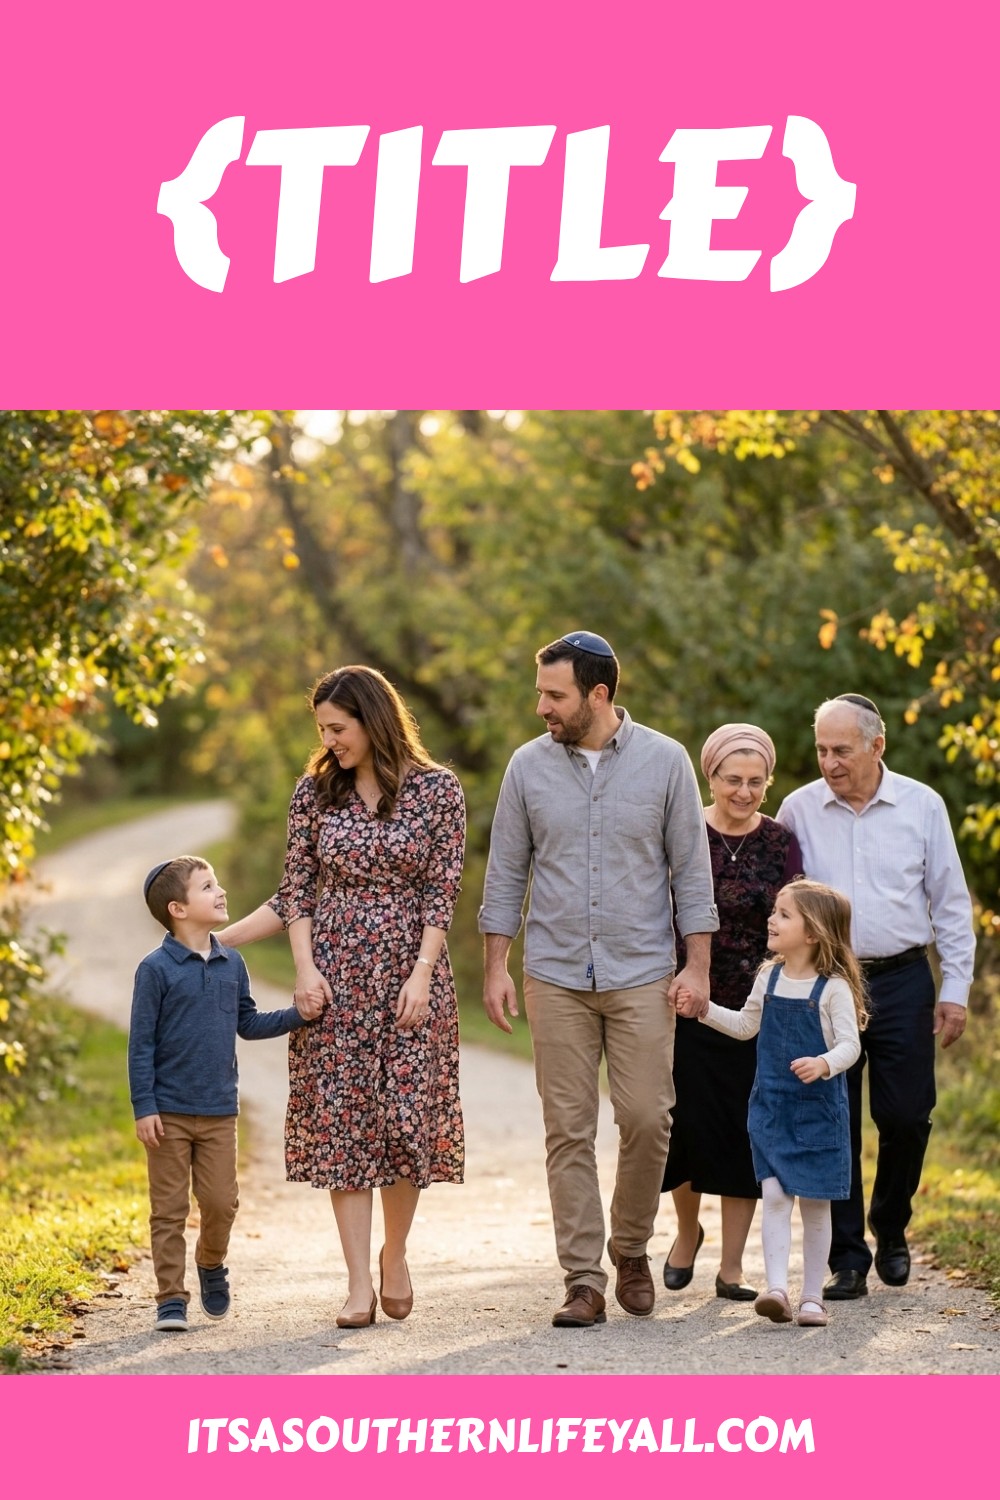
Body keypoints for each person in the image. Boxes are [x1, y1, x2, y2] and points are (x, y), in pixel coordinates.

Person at [479, 631, 718, 1328]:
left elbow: (691, 875)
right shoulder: (527, 767)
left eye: (554, 695)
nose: (541, 708)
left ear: (599, 695)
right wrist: (496, 967)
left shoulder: (666, 762)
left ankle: (631, 1248)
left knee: (648, 1117)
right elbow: (506, 874)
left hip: (642, 969)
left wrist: (696, 967)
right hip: (554, 973)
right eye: (540, 693)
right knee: (568, 1129)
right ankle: (583, 1279)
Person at [217, 665, 466, 1328]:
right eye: (321, 729)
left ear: (372, 718)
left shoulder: (438, 791)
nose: (329, 741)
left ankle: (395, 1256)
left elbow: (442, 891)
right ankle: (357, 1282)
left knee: (407, 1121)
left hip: (412, 976)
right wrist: (302, 970)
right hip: (333, 975)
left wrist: (420, 973)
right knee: (343, 1126)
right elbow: (296, 889)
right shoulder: (315, 793)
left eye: (338, 727)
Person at [777, 693, 976, 1300]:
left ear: (876, 746)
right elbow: (780, 901)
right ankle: (848, 1257)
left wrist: (957, 989)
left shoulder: (922, 805)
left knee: (907, 1115)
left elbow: (950, 902)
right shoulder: (798, 809)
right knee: (833, 1117)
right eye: (821, 749)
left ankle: (891, 1226)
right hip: (826, 979)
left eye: (842, 749)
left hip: (902, 978)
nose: (829, 761)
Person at [129, 856, 319, 1333]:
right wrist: (144, 1106)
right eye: (207, 886)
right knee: (168, 1210)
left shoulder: (233, 962)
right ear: (178, 908)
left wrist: (298, 1015)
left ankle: (210, 1262)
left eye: (217, 882)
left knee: (221, 1203)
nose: (220, 892)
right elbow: (141, 1044)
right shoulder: (155, 970)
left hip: (218, 1112)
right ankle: (171, 1298)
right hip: (168, 1114)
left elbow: (249, 1024)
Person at [677, 878, 867, 1327]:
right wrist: (704, 1010)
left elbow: (851, 1046)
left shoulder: (833, 987)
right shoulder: (770, 975)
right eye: (774, 911)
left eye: (783, 914)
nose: (771, 918)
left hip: (819, 1113)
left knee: (817, 1205)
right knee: (776, 1195)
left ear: (813, 933)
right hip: (773, 1108)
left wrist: (824, 1064)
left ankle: (812, 1296)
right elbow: (746, 1026)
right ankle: (778, 1288)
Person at [661, 724, 803, 1300]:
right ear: (710, 776)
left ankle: (732, 1267)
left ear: (767, 784)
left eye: (755, 782)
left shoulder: (782, 841)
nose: (743, 792)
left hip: (758, 1005)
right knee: (689, 1126)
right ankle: (687, 1231)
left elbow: (798, 913)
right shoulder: (684, 827)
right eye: (731, 779)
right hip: (687, 999)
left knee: (750, 1132)